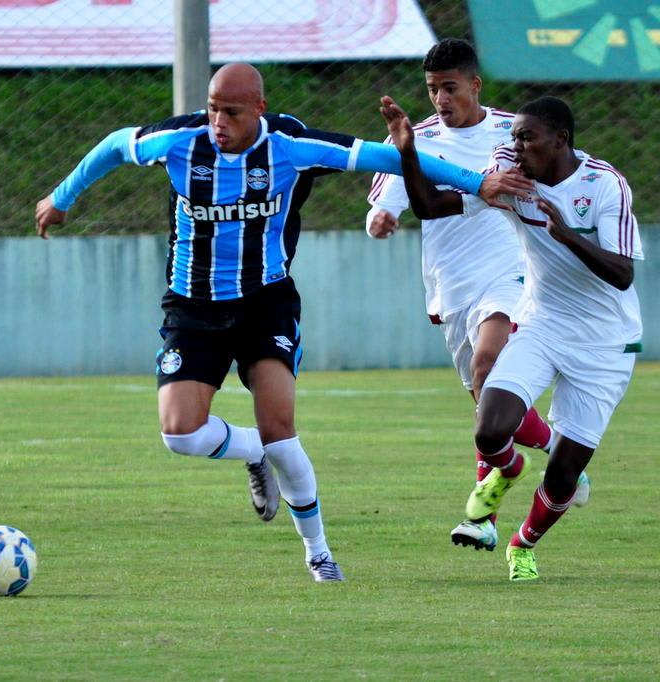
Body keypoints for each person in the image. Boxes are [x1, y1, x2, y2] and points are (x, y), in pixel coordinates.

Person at [35, 63, 528, 581]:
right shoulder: (180, 142)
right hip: (192, 306)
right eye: (212, 109)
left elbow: (381, 156)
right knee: (180, 435)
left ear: (259, 110)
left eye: (232, 111)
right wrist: (61, 198)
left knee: (283, 432)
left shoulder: (291, 146)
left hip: (265, 304)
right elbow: (115, 144)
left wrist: (478, 182)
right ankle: (251, 451)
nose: (218, 121)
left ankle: (319, 553)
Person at [381, 94, 642, 581]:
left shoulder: (604, 184)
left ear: (560, 140)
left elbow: (623, 273)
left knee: (564, 474)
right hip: (542, 324)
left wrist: (567, 235)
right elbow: (429, 205)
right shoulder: (513, 179)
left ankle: (523, 545)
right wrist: (408, 152)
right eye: (514, 137)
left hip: (605, 344)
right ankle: (505, 470)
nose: (515, 146)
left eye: (527, 138)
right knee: (490, 426)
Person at [365, 39, 590, 552]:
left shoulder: (513, 132)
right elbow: (391, 201)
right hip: (452, 281)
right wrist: (382, 218)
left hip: (514, 270)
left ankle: (484, 513)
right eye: (431, 89)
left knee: (491, 366)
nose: (441, 98)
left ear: (474, 85)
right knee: (489, 409)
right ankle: (547, 458)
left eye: (449, 87)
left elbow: (549, 177)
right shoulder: (413, 139)